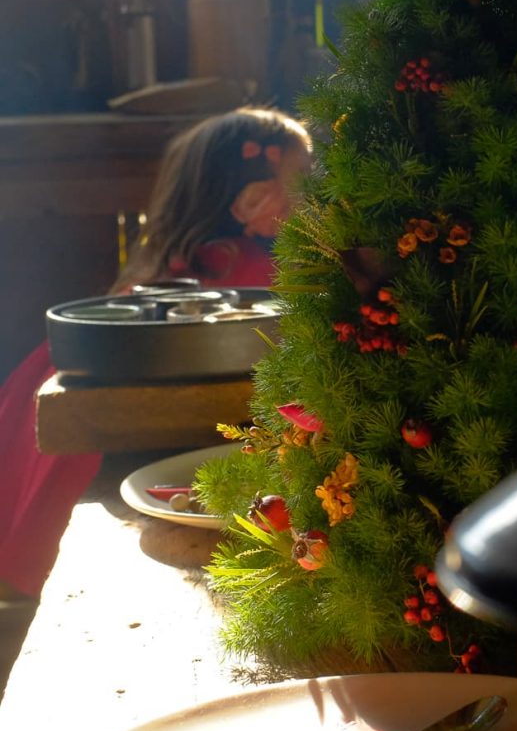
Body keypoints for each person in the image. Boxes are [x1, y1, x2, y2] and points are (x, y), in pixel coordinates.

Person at [0, 107, 312, 603]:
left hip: (61, 494)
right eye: (303, 179)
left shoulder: (166, 283)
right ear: (252, 198)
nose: (315, 195)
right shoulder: (259, 277)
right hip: (136, 477)